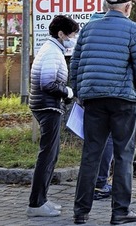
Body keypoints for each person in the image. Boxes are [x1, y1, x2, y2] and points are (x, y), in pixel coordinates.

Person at [70, 0, 136, 225]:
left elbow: (75, 62)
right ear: (127, 7)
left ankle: (81, 211)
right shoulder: (134, 30)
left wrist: (80, 91)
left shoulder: (88, 29)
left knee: (91, 154)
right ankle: (120, 212)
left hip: (94, 99)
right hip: (123, 100)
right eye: (131, 5)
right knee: (123, 154)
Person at [26, 15, 79, 218]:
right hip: (48, 108)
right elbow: (48, 83)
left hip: (47, 107)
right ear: (60, 34)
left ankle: (42, 199)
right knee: (47, 155)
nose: (73, 39)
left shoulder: (53, 49)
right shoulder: (51, 52)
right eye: (72, 34)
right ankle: (36, 203)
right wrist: (68, 92)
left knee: (51, 154)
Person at [88, 3, 113, 201]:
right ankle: (101, 183)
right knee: (111, 141)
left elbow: (78, 60)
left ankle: (89, 184)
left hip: (91, 94)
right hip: (115, 94)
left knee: (93, 141)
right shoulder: (127, 29)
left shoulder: (88, 28)